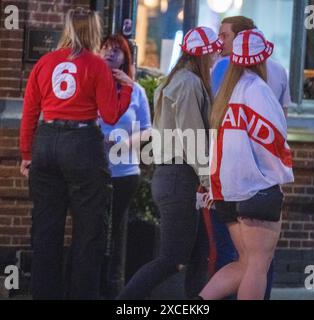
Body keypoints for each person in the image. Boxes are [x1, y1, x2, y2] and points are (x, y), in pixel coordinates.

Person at [19, 8, 133, 300]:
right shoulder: (96, 66)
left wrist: (26, 154)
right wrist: (127, 90)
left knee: (46, 229)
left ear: (67, 29)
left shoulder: (44, 62)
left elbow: (29, 112)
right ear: (93, 31)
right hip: (82, 144)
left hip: (46, 142)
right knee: (89, 230)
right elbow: (109, 116)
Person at [117, 27, 223, 300]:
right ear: (204, 53)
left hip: (172, 175)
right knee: (171, 259)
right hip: (180, 177)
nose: (217, 55)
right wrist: (207, 178)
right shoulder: (189, 83)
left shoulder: (172, 80)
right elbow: (192, 135)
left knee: (199, 255)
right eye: (213, 50)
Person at [198, 28, 294, 300]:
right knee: (257, 266)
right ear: (261, 60)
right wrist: (281, 176)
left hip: (227, 192)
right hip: (256, 189)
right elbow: (273, 140)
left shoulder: (227, 95)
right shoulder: (259, 91)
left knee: (244, 263)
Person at [98, 34, 151, 299]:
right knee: (92, 231)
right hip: (93, 173)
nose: (109, 53)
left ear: (126, 58)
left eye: (116, 50)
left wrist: (124, 143)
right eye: (105, 48)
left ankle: (114, 291)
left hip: (124, 172)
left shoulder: (137, 91)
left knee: (116, 232)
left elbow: (147, 131)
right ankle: (88, 287)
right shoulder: (91, 85)